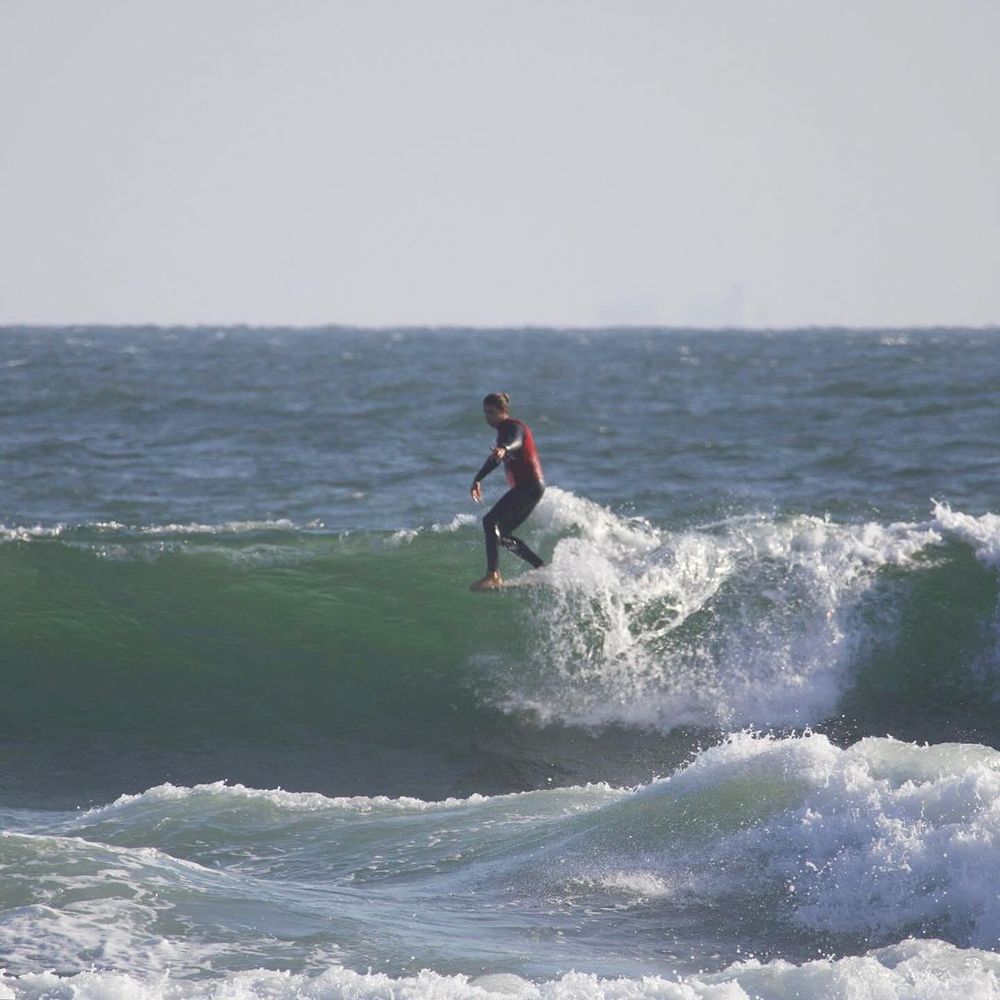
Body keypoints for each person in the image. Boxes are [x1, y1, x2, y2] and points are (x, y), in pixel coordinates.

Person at [469, 392, 546, 590]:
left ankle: (493, 574)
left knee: (489, 521)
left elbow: (516, 442)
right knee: (500, 534)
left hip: (529, 485)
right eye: (485, 412)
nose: (488, 416)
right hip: (531, 487)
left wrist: (505, 447)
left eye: (492, 412)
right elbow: (495, 458)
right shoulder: (502, 431)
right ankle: (541, 568)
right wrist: (478, 478)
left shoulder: (512, 427)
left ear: (503, 411)